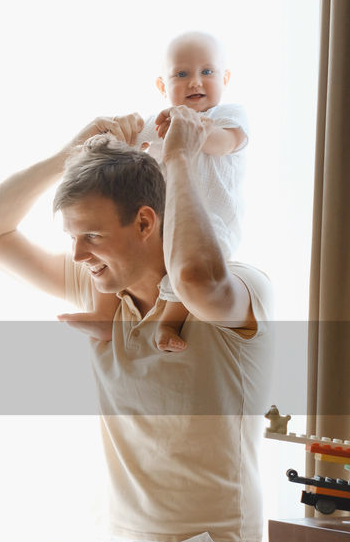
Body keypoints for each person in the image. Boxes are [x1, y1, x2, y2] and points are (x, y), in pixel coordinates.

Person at [0, 106, 275, 542]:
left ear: (146, 222)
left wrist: (178, 158)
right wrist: (67, 155)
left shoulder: (238, 287)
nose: (77, 255)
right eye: (72, 237)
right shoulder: (106, 296)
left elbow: (197, 277)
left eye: (91, 236)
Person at [60, 31, 248, 353]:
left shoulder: (226, 117)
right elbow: (129, 148)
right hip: (167, 217)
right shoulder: (159, 122)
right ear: (163, 86)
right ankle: (105, 314)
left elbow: (228, 142)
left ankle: (169, 322)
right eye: (182, 74)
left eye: (207, 72)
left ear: (225, 78)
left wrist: (193, 130)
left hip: (211, 219)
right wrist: (118, 135)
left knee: (183, 268)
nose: (195, 83)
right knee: (109, 248)